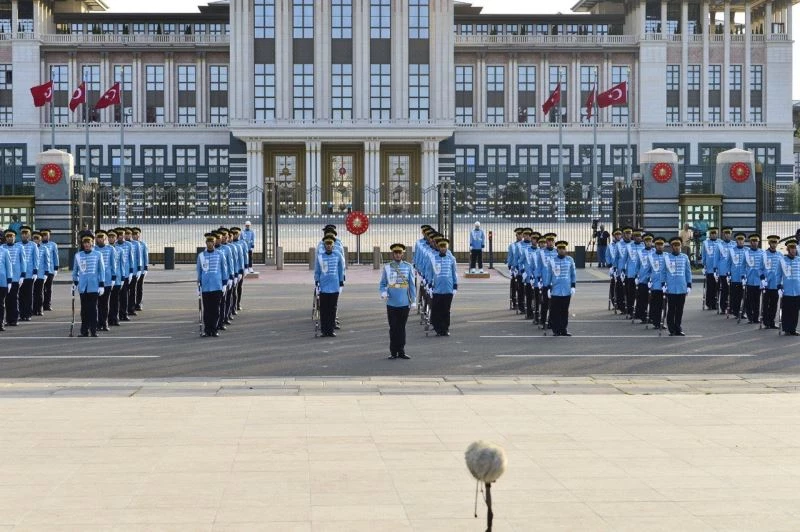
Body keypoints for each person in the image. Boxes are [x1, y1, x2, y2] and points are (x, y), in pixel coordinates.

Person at [379, 243, 417, 360]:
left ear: (402, 254)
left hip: (404, 302)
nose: (397, 255)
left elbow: (412, 285)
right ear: (393, 254)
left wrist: (414, 300)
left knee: (401, 327)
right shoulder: (387, 267)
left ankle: (401, 350)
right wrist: (383, 292)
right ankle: (393, 351)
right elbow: (382, 283)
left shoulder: (408, 266)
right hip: (391, 303)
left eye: (400, 253)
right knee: (393, 327)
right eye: (395, 253)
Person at [72, 231, 106, 338]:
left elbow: (101, 270)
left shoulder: (97, 254)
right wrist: (75, 283)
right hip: (83, 287)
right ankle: (84, 331)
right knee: (84, 310)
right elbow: (75, 271)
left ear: (92, 243)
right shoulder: (78, 255)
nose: (86, 245)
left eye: (88, 242)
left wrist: (101, 285)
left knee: (93, 309)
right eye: (85, 243)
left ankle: (93, 330)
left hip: (94, 286)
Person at [197, 232, 229, 338]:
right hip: (206, 287)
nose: (210, 244)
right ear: (206, 243)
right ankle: (207, 329)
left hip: (217, 286)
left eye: (212, 242)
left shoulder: (220, 254)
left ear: (214, 243)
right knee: (207, 310)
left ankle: (214, 329)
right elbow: (199, 272)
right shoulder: (201, 256)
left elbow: (224, 270)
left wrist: (225, 284)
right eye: (208, 242)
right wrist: (198, 285)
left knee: (215, 309)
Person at [542, 240, 576, 336]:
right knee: (555, 311)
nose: (562, 250)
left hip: (566, 290)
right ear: (557, 250)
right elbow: (548, 275)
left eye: (563, 248)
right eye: (560, 249)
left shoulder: (570, 260)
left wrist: (573, 286)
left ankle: (563, 329)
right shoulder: (552, 261)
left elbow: (573, 274)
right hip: (555, 290)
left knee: (564, 310)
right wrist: (548, 287)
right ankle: (556, 330)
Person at [314, 235, 345, 337]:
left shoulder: (337, 255)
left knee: (332, 309)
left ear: (333, 245)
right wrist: (317, 282)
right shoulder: (320, 256)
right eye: (326, 244)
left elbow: (341, 270)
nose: (328, 246)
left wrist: (341, 282)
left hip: (334, 286)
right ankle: (324, 330)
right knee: (323, 310)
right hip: (323, 287)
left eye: (330, 244)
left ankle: (330, 330)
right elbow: (317, 271)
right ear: (324, 245)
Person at [664, 236, 692, 336]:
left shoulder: (685, 257)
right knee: (671, 309)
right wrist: (664, 284)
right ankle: (671, 329)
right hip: (671, 288)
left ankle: (678, 328)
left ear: (681, 246)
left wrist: (689, 285)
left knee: (680, 309)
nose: (676, 247)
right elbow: (663, 272)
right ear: (671, 246)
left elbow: (688, 272)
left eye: (678, 245)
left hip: (682, 287)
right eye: (674, 245)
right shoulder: (666, 257)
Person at [430, 238, 458, 336]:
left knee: (446, 310)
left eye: (444, 247)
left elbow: (454, 274)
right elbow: (430, 273)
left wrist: (455, 287)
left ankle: (445, 329)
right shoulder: (433, 258)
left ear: (447, 247)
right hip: (437, 289)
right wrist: (429, 285)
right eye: (441, 246)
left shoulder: (451, 259)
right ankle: (438, 329)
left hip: (448, 289)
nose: (442, 248)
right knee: (437, 310)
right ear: (438, 247)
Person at [94, 230, 116, 332]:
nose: (99, 239)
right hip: (95, 281)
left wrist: (113, 278)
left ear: (105, 239)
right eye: (98, 237)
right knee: (97, 303)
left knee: (105, 303)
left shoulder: (110, 249)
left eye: (101, 237)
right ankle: (98, 323)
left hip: (107, 279)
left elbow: (113, 265)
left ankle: (105, 322)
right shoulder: (94, 249)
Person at [777, 238, 800, 335]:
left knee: (795, 311)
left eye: (795, 248)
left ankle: (793, 329)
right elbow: (778, 274)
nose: (793, 250)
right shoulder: (782, 260)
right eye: (791, 248)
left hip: (798, 290)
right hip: (787, 290)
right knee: (786, 310)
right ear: (787, 249)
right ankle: (786, 329)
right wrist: (779, 286)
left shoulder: (799, 260)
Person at [4, 229, 26, 327]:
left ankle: (14, 319)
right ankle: (8, 319)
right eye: (8, 236)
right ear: (6, 238)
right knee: (6, 300)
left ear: (14, 237)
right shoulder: (2, 248)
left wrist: (22, 275)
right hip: (4, 278)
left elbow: (23, 262)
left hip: (16, 277)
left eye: (11, 236)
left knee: (14, 298)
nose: (10, 238)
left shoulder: (19, 247)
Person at [744, 234, 766, 324]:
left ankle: (756, 317)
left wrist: (764, 277)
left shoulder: (762, 253)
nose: (754, 243)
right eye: (753, 241)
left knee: (757, 300)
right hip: (749, 280)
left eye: (756, 241)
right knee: (749, 300)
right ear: (750, 242)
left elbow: (765, 267)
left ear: (758, 242)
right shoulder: (746, 253)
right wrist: (743, 276)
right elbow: (742, 266)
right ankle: (750, 317)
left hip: (758, 281)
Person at [17, 226, 38, 322]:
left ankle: (28, 313)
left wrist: (35, 271)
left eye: (26, 234)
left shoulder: (33, 245)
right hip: (19, 274)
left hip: (29, 274)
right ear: (21, 235)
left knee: (29, 295)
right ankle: (22, 314)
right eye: (23, 234)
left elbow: (36, 259)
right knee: (21, 295)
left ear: (29, 235)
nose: (24, 235)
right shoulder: (17, 245)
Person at [647, 236, 668, 330]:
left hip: (665, 285)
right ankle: (656, 322)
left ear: (664, 246)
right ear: (655, 246)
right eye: (657, 245)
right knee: (655, 304)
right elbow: (647, 270)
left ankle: (662, 321)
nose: (659, 246)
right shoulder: (651, 257)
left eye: (661, 245)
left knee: (664, 305)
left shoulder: (667, 256)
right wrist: (648, 281)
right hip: (655, 284)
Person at [762, 235, 782, 329]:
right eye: (772, 242)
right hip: (767, 284)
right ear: (769, 243)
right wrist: (762, 279)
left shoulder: (780, 255)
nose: (774, 244)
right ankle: (766, 322)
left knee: (774, 304)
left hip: (776, 284)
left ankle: (772, 321)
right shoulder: (764, 254)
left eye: (775, 242)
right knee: (766, 304)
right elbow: (760, 268)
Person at [114, 228, 133, 322]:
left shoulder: (129, 245)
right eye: (119, 235)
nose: (121, 236)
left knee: (124, 295)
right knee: (116, 296)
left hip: (125, 274)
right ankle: (116, 314)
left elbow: (131, 259)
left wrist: (131, 273)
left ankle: (124, 313)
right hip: (116, 275)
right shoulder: (114, 246)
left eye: (123, 235)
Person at [728, 232, 748, 319]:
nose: (740, 241)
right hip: (735, 277)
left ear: (744, 240)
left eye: (742, 240)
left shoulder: (747, 250)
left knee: (744, 296)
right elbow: (728, 263)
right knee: (735, 296)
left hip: (744, 278)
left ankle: (743, 312)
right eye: (739, 240)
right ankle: (736, 312)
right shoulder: (732, 250)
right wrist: (728, 274)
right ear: (736, 240)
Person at [715, 227, 734, 314]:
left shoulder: (734, 244)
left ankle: (732, 307)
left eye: (728, 233)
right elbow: (716, 258)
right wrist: (715, 269)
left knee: (732, 291)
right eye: (725, 233)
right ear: (723, 234)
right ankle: (723, 307)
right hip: (723, 271)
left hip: (733, 271)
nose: (727, 235)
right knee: (724, 290)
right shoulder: (719, 245)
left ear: (731, 234)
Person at [701, 227, 720, 310]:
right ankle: (709, 303)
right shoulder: (705, 243)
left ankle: (716, 303)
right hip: (709, 269)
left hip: (719, 269)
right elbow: (704, 255)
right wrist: (704, 266)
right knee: (710, 287)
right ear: (709, 234)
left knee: (717, 287)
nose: (713, 235)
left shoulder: (720, 242)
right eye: (712, 233)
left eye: (715, 233)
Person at [105, 229, 121, 327]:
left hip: (117, 277)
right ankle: (105, 319)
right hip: (107, 278)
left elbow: (121, 264)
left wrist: (122, 277)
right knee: (105, 301)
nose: (111, 239)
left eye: (113, 237)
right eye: (109, 237)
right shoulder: (105, 249)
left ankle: (115, 318)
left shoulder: (120, 249)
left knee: (115, 300)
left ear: (116, 238)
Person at [31, 231, 49, 316]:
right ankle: (33, 309)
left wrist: (46, 273)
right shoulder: (30, 248)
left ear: (40, 239)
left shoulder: (44, 248)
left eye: (37, 238)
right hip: (32, 274)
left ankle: (39, 309)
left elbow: (47, 262)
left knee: (39, 293)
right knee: (32, 293)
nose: (35, 240)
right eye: (34, 238)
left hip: (41, 274)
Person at [40, 229, 59, 311]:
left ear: (49, 236)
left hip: (50, 270)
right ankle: (39, 305)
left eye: (46, 235)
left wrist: (56, 268)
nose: (45, 236)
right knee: (40, 289)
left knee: (48, 288)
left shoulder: (53, 245)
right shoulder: (38, 244)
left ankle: (47, 304)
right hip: (40, 271)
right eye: (43, 235)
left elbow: (56, 256)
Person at [132, 227, 149, 312]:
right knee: (132, 288)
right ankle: (132, 303)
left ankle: (138, 303)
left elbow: (145, 256)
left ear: (139, 235)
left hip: (141, 269)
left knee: (139, 287)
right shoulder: (131, 244)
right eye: (134, 234)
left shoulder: (143, 244)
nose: (135, 236)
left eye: (137, 234)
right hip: (133, 270)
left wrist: (146, 268)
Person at [0, 244, 12, 331]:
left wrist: (9, 281)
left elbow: (9, 267)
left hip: (2, 282)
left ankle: (1, 323)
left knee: (1, 304)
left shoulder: (4, 251)